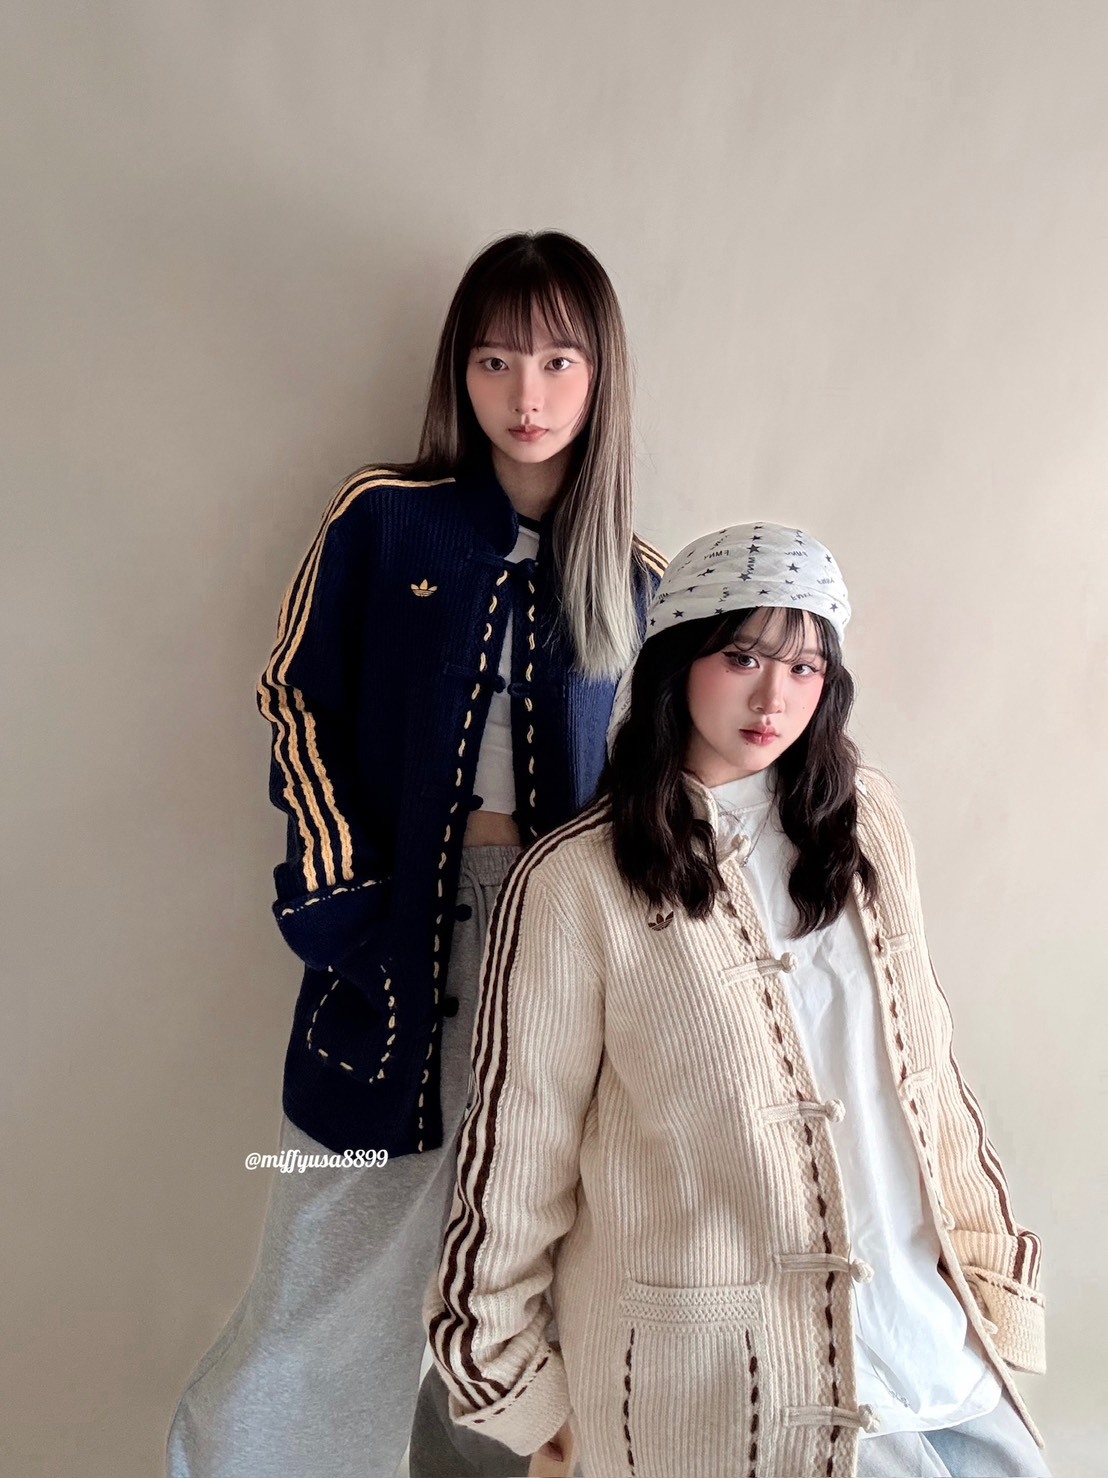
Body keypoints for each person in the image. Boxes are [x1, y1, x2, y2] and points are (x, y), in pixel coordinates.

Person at [166, 230, 665, 1478]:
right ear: (461, 371)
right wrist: (339, 898)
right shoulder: (385, 520)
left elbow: (665, 791)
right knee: (331, 1263)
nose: (526, 393)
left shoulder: (640, 581)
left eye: (558, 360)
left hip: (564, 967)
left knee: (517, 1274)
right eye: (495, 361)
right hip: (393, 939)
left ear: (602, 373)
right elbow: (296, 696)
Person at [427, 522, 1049, 1478]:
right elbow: (518, 1148)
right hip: (729, 1392)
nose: (774, 698)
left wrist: (993, 1267)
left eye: (804, 668)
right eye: (743, 658)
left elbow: (926, 1072)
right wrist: (510, 1379)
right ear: (678, 661)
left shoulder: (866, 824)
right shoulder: (574, 883)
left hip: (932, 1345)